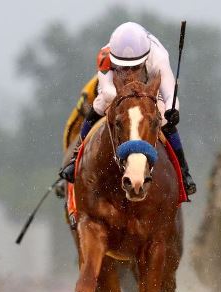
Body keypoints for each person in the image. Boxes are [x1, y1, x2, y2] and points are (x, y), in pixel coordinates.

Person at [59, 21, 196, 195]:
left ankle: (184, 171)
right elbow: (107, 91)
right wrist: (124, 98)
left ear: (145, 60)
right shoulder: (105, 56)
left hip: (148, 85)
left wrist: (172, 110)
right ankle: (75, 159)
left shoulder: (159, 58)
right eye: (124, 68)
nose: (130, 74)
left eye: (135, 67)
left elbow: (170, 93)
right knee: (101, 104)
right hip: (116, 89)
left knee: (163, 118)